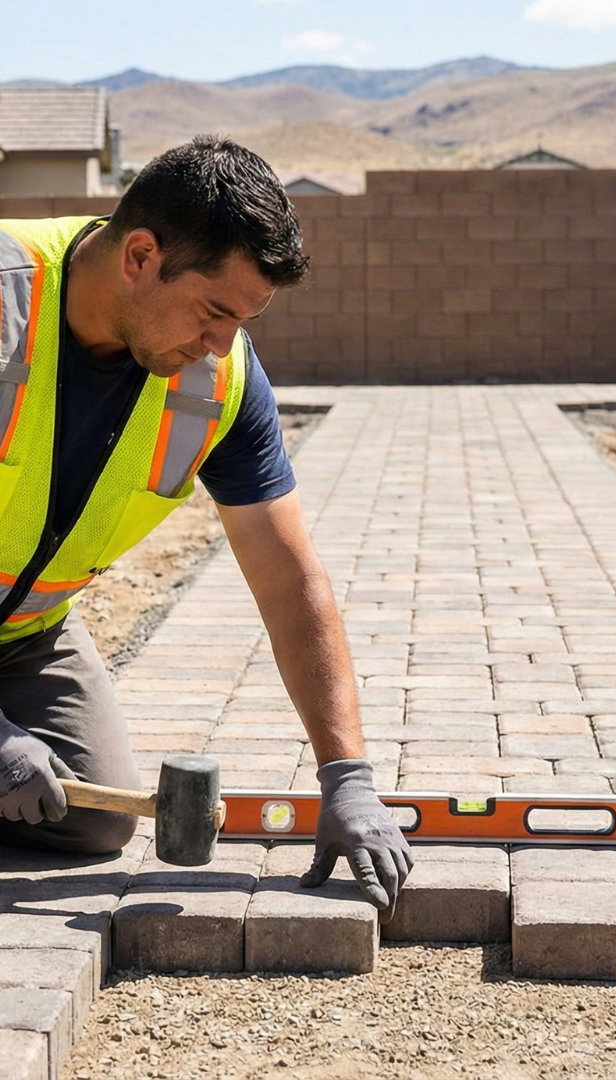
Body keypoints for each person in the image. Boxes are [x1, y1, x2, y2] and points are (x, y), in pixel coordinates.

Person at [0, 135, 413, 917]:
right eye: (213, 311)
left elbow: (289, 578)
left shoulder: (219, 380)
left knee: (91, 815)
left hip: (22, 634)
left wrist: (346, 778)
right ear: (140, 256)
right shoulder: (2, 303)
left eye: (243, 320)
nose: (221, 345)